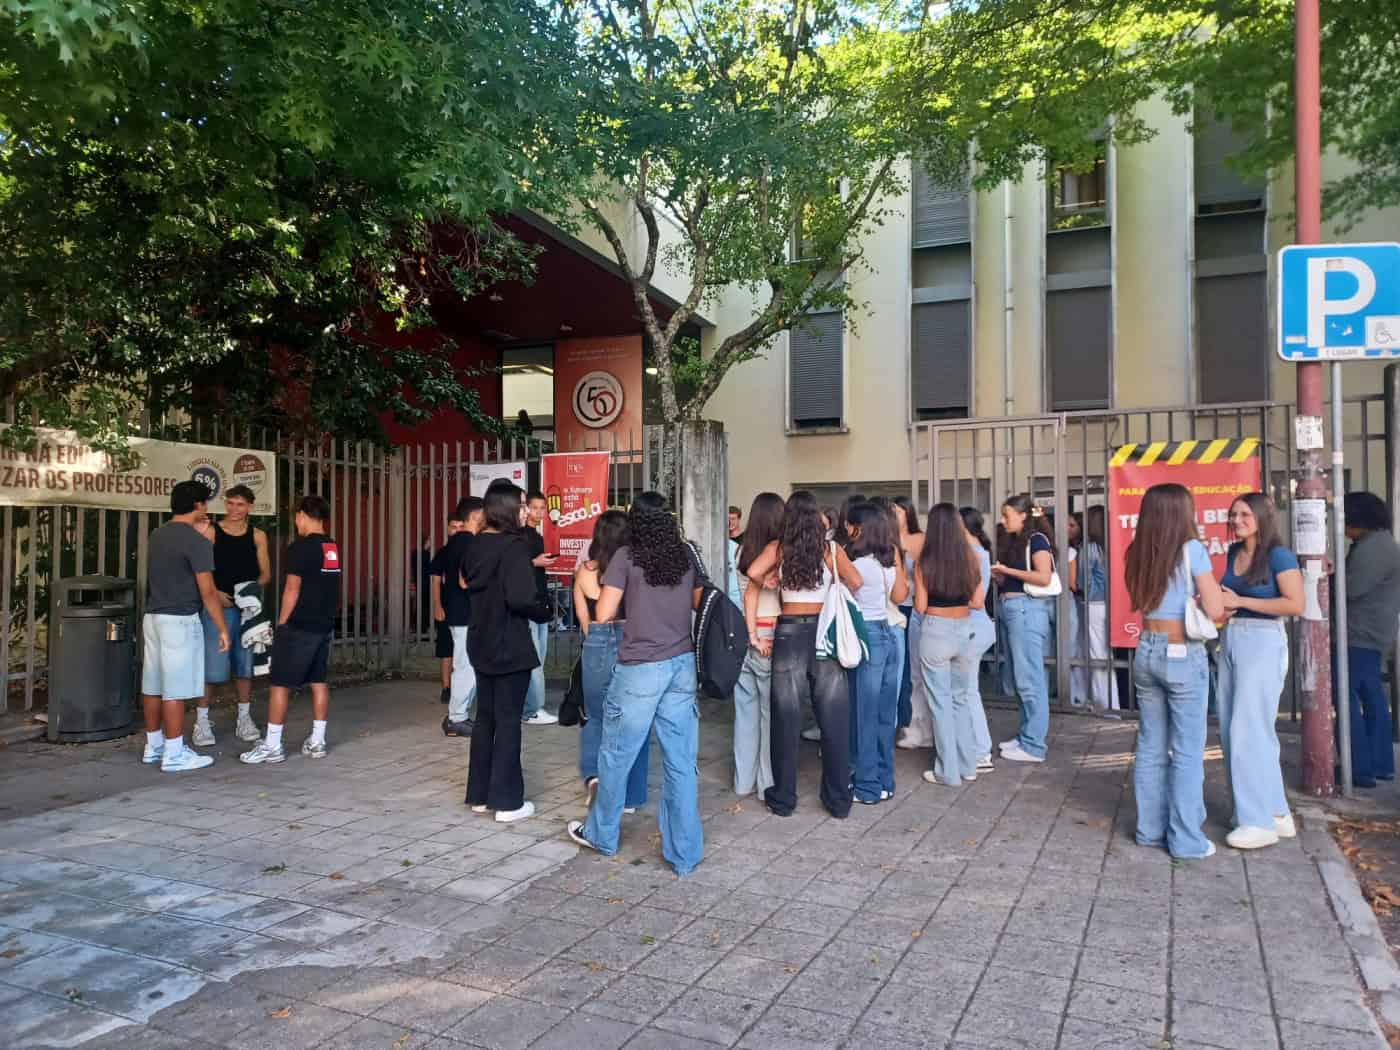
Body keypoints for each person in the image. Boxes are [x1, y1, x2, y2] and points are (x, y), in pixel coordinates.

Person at [568, 492, 705, 875]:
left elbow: (606, 612)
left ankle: (603, 834)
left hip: (640, 667)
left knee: (615, 755)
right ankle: (685, 854)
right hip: (681, 665)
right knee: (680, 762)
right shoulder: (687, 555)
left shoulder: (627, 558)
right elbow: (698, 602)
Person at [743, 490, 864, 818]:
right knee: (834, 717)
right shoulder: (831, 550)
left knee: (786, 716)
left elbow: (751, 572)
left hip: (789, 633)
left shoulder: (779, 548)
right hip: (824, 633)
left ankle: (783, 798)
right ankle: (838, 800)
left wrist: (772, 581)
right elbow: (857, 580)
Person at [1124, 482, 1225, 860]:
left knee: (1150, 746)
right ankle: (1185, 840)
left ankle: (1149, 831)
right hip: (1182, 651)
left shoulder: (1137, 552)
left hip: (1147, 649)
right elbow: (1214, 609)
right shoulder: (1192, 550)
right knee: (1186, 750)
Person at [1216, 492, 1303, 849]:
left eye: (1245, 514)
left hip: (1264, 641)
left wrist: (1241, 601)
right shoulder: (1236, 553)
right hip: (1233, 638)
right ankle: (1276, 812)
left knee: (1247, 730)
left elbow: (1295, 604)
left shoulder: (1279, 556)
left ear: (1263, 517)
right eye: (1234, 514)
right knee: (1233, 726)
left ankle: (1256, 821)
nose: (1237, 520)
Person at [459, 482, 547, 822]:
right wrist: (544, 611)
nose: (526, 510)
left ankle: (480, 795)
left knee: (486, 718)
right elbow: (521, 597)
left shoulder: (475, 544)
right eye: (523, 505)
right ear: (509, 509)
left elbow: (469, 581)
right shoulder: (513, 547)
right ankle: (508, 802)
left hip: (481, 639)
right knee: (509, 721)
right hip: (509, 642)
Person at [240, 495, 342, 764]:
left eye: (296, 516)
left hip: (299, 624)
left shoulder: (299, 548)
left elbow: (292, 588)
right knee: (319, 681)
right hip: (323, 624)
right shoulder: (331, 547)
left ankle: (272, 744)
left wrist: (283, 623)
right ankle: (317, 741)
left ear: (302, 515)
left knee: (280, 684)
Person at [140, 481, 229, 772]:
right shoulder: (197, 542)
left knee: (153, 685)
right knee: (175, 690)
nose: (207, 508)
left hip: (153, 617)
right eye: (204, 503)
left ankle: (153, 746)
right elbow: (208, 592)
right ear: (198, 506)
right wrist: (222, 627)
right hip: (179, 620)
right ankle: (175, 752)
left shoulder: (157, 534)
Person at [574, 509, 648, 811]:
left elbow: (583, 618)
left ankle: (593, 778)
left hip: (595, 642)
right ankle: (630, 795)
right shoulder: (634, 569)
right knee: (634, 719)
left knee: (595, 716)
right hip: (629, 643)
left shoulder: (585, 571)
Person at [194, 484, 271, 747]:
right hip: (219, 607)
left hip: (247, 608)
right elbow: (201, 570)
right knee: (212, 667)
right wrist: (214, 593)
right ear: (225, 504)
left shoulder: (258, 535)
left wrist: (250, 593)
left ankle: (244, 718)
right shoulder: (212, 531)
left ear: (249, 506)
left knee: (245, 666)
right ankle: (201, 722)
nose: (235, 509)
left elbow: (266, 574)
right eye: (230, 503)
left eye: (240, 504)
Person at [915, 504, 984, 787]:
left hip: (936, 631)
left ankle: (947, 771)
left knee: (940, 703)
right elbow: (978, 602)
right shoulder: (972, 558)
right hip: (966, 629)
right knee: (960, 699)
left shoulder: (924, 561)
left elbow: (919, 606)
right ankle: (969, 766)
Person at [846, 501, 909, 803]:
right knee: (885, 715)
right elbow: (900, 595)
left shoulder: (857, 565)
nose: (847, 529)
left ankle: (867, 786)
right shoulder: (886, 562)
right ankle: (885, 781)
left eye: (850, 524)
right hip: (887, 633)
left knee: (865, 714)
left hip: (868, 634)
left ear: (860, 528)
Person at [991, 494, 1057, 763]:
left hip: (1026, 611)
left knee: (1030, 679)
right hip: (1014, 610)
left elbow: (1043, 577)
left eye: (1007, 515)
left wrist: (1009, 572)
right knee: (1022, 678)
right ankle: (1026, 734)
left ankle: (1033, 744)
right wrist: (1002, 576)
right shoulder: (1017, 542)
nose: (1003, 520)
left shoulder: (1037, 541)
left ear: (1023, 516)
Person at [1342, 492, 1400, 788]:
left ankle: (1359, 767)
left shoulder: (1373, 548)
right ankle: (1379, 763)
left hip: (1360, 633)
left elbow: (1350, 589)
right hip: (1374, 633)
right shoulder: (1381, 543)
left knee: (1348, 696)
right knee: (1371, 695)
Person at [736, 492, 785, 798]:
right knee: (770, 716)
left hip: (745, 632)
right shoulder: (778, 553)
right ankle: (767, 784)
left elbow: (744, 595)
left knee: (745, 714)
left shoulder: (741, 550)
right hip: (769, 633)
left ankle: (742, 781)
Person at [439, 497, 485, 737]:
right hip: (466, 612)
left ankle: (457, 714)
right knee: (466, 665)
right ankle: (457, 717)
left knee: (465, 664)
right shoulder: (470, 543)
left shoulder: (454, 543)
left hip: (458, 612)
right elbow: (464, 580)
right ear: (476, 516)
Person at [960, 507, 997, 770]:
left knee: (967, 691)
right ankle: (975, 747)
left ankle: (980, 751)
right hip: (975, 628)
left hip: (972, 628)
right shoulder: (978, 553)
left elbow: (976, 600)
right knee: (966, 690)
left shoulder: (974, 555)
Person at [893, 497, 930, 749]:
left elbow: (924, 574)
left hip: (914, 606)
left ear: (908, 512)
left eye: (896, 510)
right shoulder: (885, 537)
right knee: (899, 670)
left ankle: (920, 728)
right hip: (892, 607)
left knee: (915, 670)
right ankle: (902, 722)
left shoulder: (920, 538)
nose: (893, 514)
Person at [521, 490, 560, 725]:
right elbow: (512, 567)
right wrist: (535, 562)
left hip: (539, 601)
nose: (538, 512)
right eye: (534, 508)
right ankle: (531, 709)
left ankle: (530, 705)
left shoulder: (536, 535)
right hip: (528, 602)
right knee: (534, 658)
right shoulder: (520, 536)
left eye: (542, 508)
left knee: (540, 657)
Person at [1076, 507, 1120, 714]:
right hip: (1116, 605)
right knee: (1111, 656)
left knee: (1097, 656)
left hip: (1094, 605)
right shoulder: (1115, 545)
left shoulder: (1090, 548)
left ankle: (1105, 705)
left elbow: (1084, 581)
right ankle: (1114, 703)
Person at [430, 514, 465, 708]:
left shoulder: (471, 549)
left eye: (461, 526)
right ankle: (446, 687)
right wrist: (437, 606)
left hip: (466, 608)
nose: (457, 530)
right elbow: (435, 581)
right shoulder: (443, 553)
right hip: (446, 607)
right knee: (446, 649)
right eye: (454, 527)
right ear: (447, 529)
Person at [726, 504, 744, 607]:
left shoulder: (746, 538)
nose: (730, 522)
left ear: (739, 519)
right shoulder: (721, 539)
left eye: (733, 519)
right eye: (728, 519)